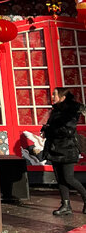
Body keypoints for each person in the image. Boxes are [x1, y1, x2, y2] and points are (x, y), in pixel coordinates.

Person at [42, 87, 86, 216]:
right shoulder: (56, 111)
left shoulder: (70, 112)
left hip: (67, 148)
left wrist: (51, 130)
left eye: (55, 94)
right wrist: (46, 129)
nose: (52, 96)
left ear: (63, 97)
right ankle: (65, 205)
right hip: (55, 148)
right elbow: (53, 126)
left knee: (69, 178)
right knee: (60, 178)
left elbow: (67, 130)